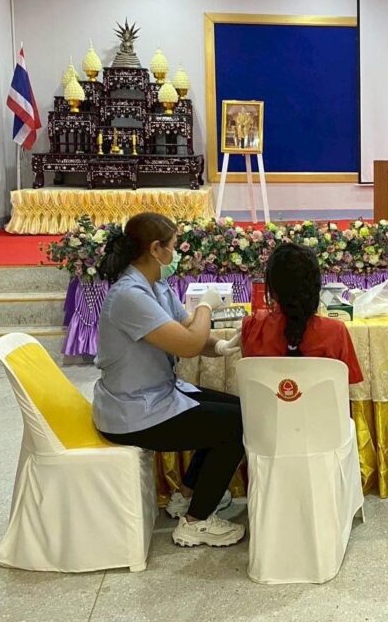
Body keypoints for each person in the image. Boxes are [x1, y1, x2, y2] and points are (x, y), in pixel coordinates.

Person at [93, 212, 246, 548]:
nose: (175, 254)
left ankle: (187, 496)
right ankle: (197, 522)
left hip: (156, 395)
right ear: (155, 249)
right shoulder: (129, 295)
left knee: (237, 409)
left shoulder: (156, 287)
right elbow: (188, 345)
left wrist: (222, 346)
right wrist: (206, 306)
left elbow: (187, 331)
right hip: (133, 412)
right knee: (237, 424)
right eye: (173, 246)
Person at [241, 243, 364, 384]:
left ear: (272, 290)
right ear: (316, 287)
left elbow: (249, 383)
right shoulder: (336, 331)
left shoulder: (252, 327)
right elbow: (345, 387)